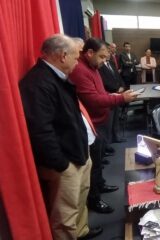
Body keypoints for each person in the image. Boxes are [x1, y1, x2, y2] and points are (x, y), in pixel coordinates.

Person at [19, 34, 102, 239]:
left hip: (78, 151)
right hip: (66, 161)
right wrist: (61, 164)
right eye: (76, 57)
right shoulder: (38, 83)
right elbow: (40, 130)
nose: (78, 61)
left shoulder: (59, 77)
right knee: (65, 213)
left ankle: (81, 232)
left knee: (80, 200)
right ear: (63, 56)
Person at [70, 38, 138, 214]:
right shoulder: (80, 70)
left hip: (100, 121)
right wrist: (120, 98)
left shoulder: (93, 67)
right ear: (90, 53)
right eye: (101, 57)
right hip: (93, 125)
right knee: (92, 165)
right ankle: (94, 200)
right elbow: (92, 100)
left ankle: (100, 185)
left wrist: (113, 94)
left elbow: (99, 93)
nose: (103, 61)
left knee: (98, 162)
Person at [99, 43, 126, 143]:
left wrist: (122, 86)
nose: (109, 54)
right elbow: (104, 81)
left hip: (117, 94)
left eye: (110, 52)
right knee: (108, 122)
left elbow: (118, 77)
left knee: (115, 119)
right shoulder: (100, 66)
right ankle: (108, 143)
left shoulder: (111, 63)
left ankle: (116, 137)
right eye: (108, 52)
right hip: (109, 95)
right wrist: (116, 88)